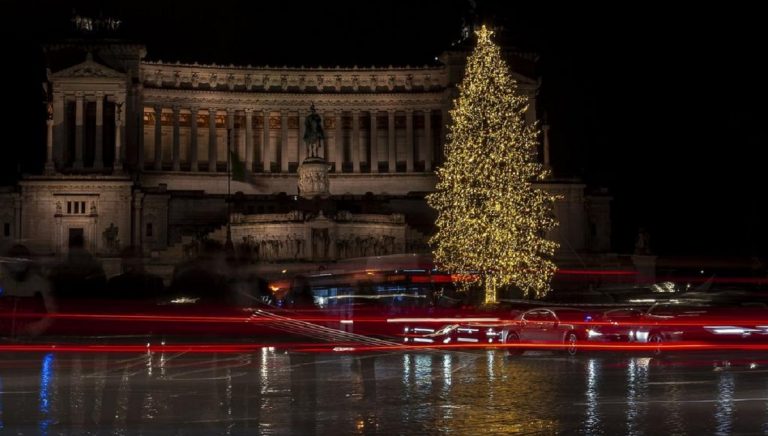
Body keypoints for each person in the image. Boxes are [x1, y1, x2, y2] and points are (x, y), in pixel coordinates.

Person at [0, 244, 57, 337]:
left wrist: (34, 328)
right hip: (4, 338)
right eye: (15, 259)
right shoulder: (3, 283)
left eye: (22, 259)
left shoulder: (39, 284)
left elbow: (51, 313)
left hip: (31, 338)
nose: (18, 263)